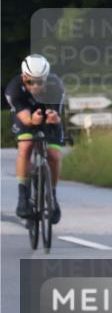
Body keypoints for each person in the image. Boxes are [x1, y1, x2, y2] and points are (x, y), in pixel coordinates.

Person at [6, 54, 65, 224]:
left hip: (47, 114)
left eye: (41, 82)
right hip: (26, 115)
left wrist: (54, 118)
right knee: (26, 146)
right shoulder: (14, 89)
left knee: (54, 155)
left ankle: (52, 196)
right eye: (31, 82)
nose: (36, 86)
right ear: (24, 77)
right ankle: (23, 196)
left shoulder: (56, 86)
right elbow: (26, 119)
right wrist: (33, 120)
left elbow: (56, 115)